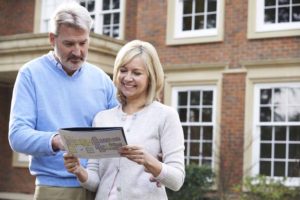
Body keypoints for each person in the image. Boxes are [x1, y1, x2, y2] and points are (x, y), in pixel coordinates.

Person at [8, 2, 118, 200]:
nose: (77, 52)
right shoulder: (31, 74)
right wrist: (57, 141)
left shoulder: (101, 79)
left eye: (83, 43)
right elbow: (17, 136)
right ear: (52, 39)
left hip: (101, 187)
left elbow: (122, 127)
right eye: (69, 44)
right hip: (55, 188)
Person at [63, 40, 185, 199]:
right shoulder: (102, 119)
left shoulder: (166, 116)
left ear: (151, 77)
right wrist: (79, 171)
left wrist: (150, 162)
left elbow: (177, 181)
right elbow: (95, 181)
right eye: (123, 70)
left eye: (136, 73)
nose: (127, 78)